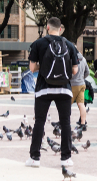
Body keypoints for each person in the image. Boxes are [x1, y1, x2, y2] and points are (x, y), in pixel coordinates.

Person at [26, 16, 79, 168]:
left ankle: (35, 158)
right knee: (65, 122)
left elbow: (32, 68)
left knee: (40, 122)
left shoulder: (38, 43)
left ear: (47, 28)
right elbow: (75, 70)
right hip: (64, 89)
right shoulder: (69, 45)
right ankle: (66, 158)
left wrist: (43, 66)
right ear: (60, 29)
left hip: (43, 88)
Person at [71, 52, 89, 131]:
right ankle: (83, 124)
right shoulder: (83, 59)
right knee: (81, 104)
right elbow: (87, 72)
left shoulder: (70, 58)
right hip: (82, 84)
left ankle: (63, 123)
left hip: (72, 84)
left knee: (67, 104)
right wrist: (81, 78)